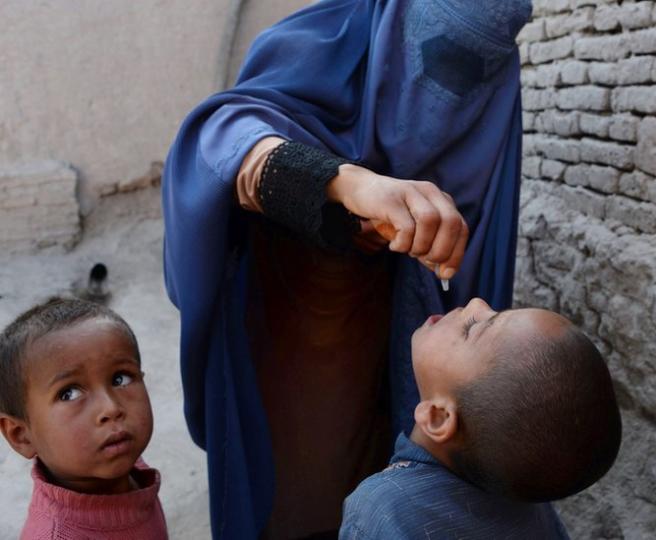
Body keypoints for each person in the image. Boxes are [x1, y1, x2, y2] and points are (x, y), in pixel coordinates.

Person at [162, 0, 532, 537]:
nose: (446, 89)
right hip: (299, 343)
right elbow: (221, 141)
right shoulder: (332, 40)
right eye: (436, 57)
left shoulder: (487, 125)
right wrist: (351, 184)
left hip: (406, 346)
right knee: (292, 490)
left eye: (470, 69)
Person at [339, 297, 622, 539]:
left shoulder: (383, 508)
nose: (477, 303)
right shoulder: (527, 502)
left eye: (472, 328)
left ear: (438, 418)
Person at [0, 299, 167, 539]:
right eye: (69, 394)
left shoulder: (133, 469)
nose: (111, 408)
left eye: (120, 378)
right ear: (20, 435)